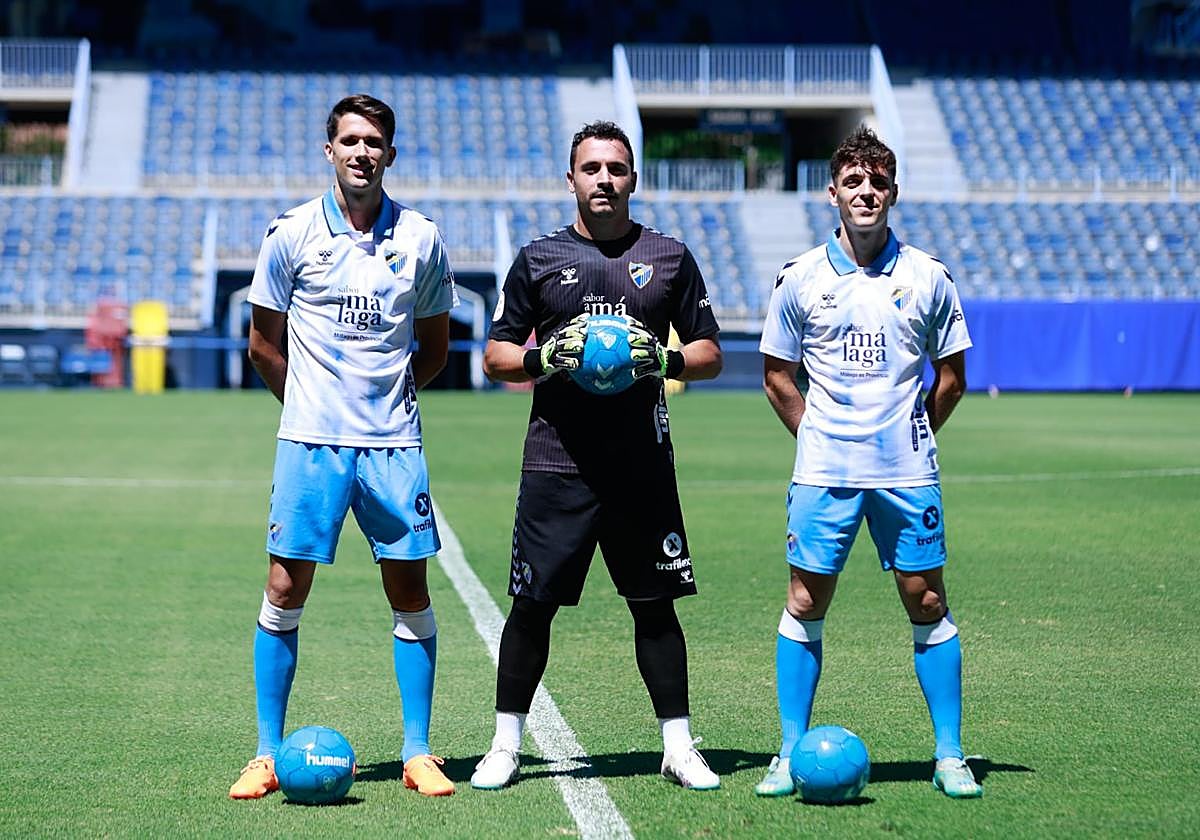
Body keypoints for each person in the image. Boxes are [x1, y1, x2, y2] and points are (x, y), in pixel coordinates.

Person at [471, 120, 724, 791]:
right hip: (557, 462)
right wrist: (542, 358)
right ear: (571, 180)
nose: (604, 180)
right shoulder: (539, 258)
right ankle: (505, 745)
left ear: (633, 178)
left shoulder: (669, 257)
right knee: (532, 606)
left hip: (642, 464)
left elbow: (710, 352)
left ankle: (679, 747)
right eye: (591, 168)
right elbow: (495, 355)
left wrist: (665, 358)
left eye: (615, 168)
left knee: (655, 606)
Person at [229, 94, 459, 800]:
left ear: (391, 154)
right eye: (350, 140)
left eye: (374, 142)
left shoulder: (421, 238)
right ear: (329, 150)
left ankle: (418, 752)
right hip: (310, 446)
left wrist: (385, 403)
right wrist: (309, 407)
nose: (362, 152)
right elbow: (263, 345)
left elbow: (435, 349)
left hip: (393, 446)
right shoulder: (290, 233)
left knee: (410, 590)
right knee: (283, 588)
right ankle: (266, 754)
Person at [755, 126, 981, 799]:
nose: (866, 192)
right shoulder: (800, 277)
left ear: (893, 193)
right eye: (853, 181)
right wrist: (818, 436)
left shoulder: (928, 276)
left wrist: (912, 433)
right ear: (832, 193)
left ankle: (950, 756)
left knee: (927, 598)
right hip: (824, 471)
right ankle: (789, 752)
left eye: (877, 182)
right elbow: (777, 376)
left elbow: (951, 379)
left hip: (906, 473)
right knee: (804, 600)